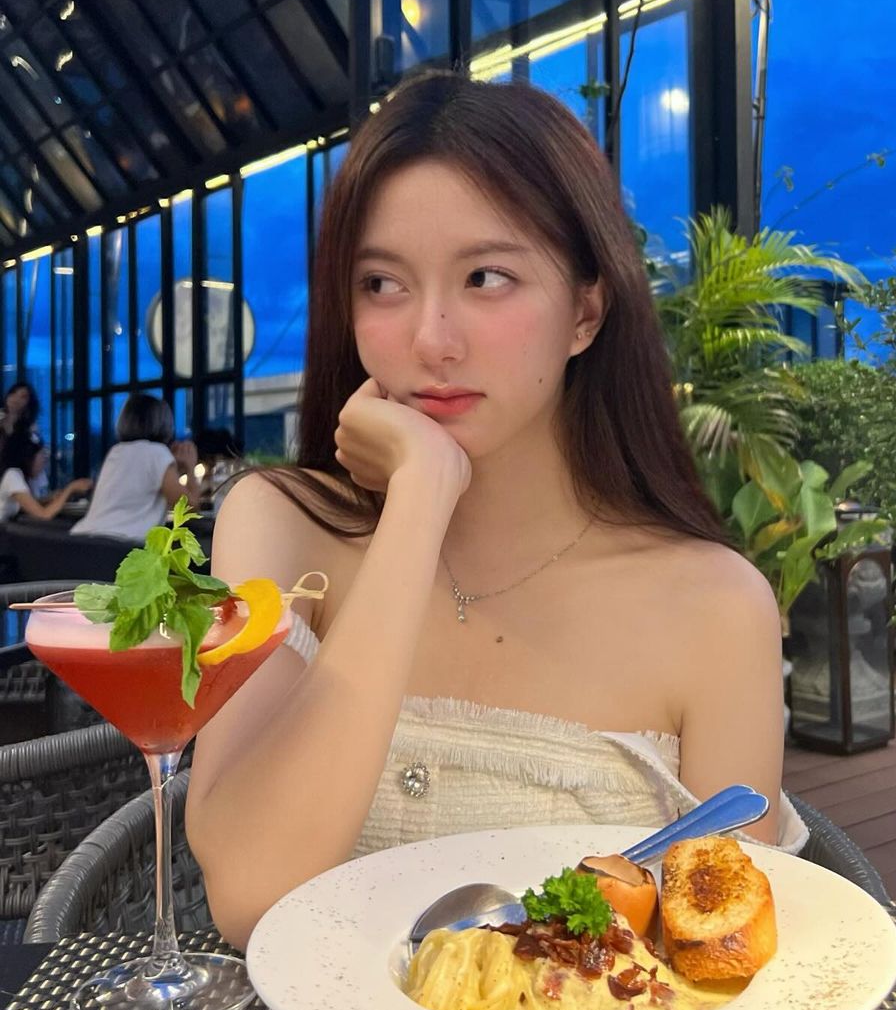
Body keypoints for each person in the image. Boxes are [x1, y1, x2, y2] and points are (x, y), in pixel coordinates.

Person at [187, 72, 796, 950]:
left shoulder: (717, 607)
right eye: (382, 284)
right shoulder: (280, 527)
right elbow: (252, 896)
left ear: (585, 311)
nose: (430, 339)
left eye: (486, 277)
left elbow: (722, 949)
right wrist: (419, 499)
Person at [71, 394, 194, 543]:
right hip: (119, 546)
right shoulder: (157, 452)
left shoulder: (117, 451)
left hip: (83, 539)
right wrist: (190, 467)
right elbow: (190, 508)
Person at [0, 431, 90, 521]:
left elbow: (27, 505)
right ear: (28, 458)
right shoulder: (12, 475)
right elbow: (44, 514)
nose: (44, 461)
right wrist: (70, 488)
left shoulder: (15, 474)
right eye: (41, 456)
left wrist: (48, 498)